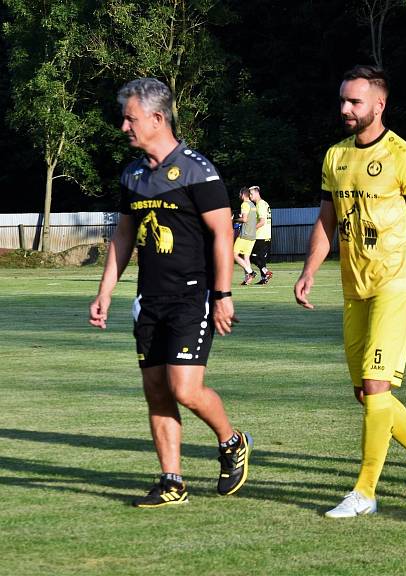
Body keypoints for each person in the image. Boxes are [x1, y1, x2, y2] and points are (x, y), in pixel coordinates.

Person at [294, 65, 406, 518]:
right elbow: (327, 220)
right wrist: (309, 270)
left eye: (355, 102)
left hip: (395, 284)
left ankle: (364, 492)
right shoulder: (335, 157)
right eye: (343, 100)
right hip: (354, 287)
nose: (345, 109)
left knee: (375, 384)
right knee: (368, 396)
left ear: (379, 105)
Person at [88, 77, 253, 508]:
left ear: (158, 119)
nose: (124, 127)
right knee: (157, 392)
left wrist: (222, 294)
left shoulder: (198, 169)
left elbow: (221, 235)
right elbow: (124, 237)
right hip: (149, 300)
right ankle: (171, 481)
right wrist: (106, 290)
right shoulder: (133, 175)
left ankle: (232, 440)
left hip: (192, 297)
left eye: (131, 118)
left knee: (184, 389)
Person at [248, 185, 273, 285]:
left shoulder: (260, 204)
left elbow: (262, 222)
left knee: (251, 257)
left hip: (261, 236)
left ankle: (265, 272)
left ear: (257, 193)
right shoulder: (265, 203)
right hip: (266, 235)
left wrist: (250, 229)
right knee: (261, 259)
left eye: (251, 194)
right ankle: (264, 278)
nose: (250, 196)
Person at [234, 187, 258, 285]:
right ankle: (247, 280)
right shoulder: (252, 204)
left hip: (245, 234)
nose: (239, 196)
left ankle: (251, 272)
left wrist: (234, 220)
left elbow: (244, 220)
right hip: (252, 235)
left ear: (243, 194)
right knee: (246, 257)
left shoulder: (244, 204)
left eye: (240, 194)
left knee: (234, 254)